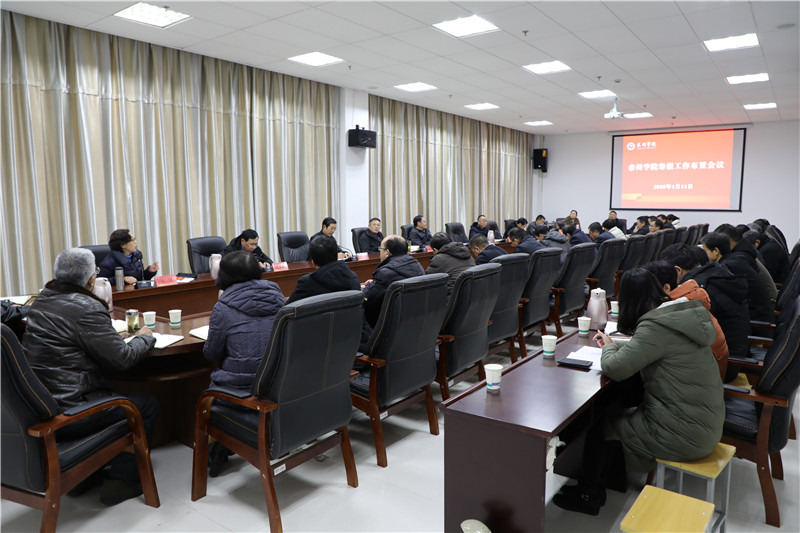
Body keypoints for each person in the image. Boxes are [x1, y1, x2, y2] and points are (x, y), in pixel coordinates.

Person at [553, 268, 723, 515]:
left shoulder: (656, 327)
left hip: (684, 434)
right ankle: (595, 485)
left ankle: (588, 496)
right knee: (618, 402)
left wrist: (609, 348)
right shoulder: (678, 315)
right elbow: (652, 351)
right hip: (706, 423)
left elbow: (615, 368)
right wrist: (618, 347)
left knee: (602, 425)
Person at [24, 247, 158, 505]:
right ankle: (121, 482)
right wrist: (144, 337)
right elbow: (122, 359)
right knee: (145, 405)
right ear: (90, 279)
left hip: (41, 405)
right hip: (72, 410)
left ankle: (84, 477)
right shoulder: (87, 307)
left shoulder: (42, 299)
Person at [203, 251, 285, 476]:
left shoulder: (223, 307)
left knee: (208, 394)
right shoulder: (278, 296)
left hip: (242, 389)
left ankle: (217, 452)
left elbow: (211, 353)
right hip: (277, 382)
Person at [659, 243, 750, 373]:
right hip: (732, 352)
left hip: (722, 363)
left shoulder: (700, 290)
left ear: (677, 270)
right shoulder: (717, 273)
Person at [641, 261, 729, 381]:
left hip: (699, 382)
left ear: (666, 288)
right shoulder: (689, 298)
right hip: (708, 374)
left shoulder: (676, 310)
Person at [705, 228, 772, 323]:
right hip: (758, 313)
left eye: (705, 251)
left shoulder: (730, 266)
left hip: (757, 320)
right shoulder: (737, 258)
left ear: (716, 250)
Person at [363, 235, 424, 328]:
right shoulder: (417, 265)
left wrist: (366, 288)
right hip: (414, 321)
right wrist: (375, 283)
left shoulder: (385, 273)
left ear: (387, 252)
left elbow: (369, 299)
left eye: (381, 249)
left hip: (390, 325)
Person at [287, 235, 361, 304]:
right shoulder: (353, 277)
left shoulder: (306, 283)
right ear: (336, 256)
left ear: (313, 263)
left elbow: (287, 310)